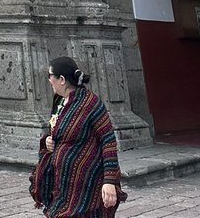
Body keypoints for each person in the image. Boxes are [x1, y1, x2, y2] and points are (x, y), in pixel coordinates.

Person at [29, 56, 127, 218]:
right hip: (63, 184)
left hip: (88, 183)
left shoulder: (91, 103)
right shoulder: (59, 102)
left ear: (62, 79)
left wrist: (109, 181)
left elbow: (108, 140)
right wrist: (47, 140)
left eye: (50, 75)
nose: (48, 80)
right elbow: (57, 132)